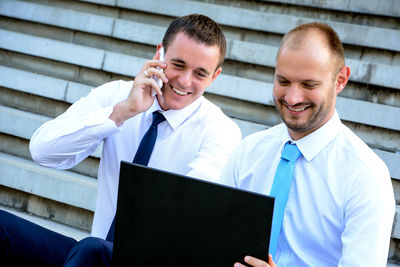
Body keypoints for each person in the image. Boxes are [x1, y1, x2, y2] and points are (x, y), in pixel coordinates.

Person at [0, 14, 242, 266]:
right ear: (159, 54)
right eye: (178, 65)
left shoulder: (221, 131)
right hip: (93, 255)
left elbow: (190, 209)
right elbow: (42, 151)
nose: (184, 81)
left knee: (91, 250)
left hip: (152, 262)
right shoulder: (117, 94)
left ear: (215, 76)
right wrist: (122, 112)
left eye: (200, 74)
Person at [220, 22, 395, 267]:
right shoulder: (248, 152)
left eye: (308, 85)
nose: (292, 98)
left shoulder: (365, 176)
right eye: (283, 81)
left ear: (340, 80)